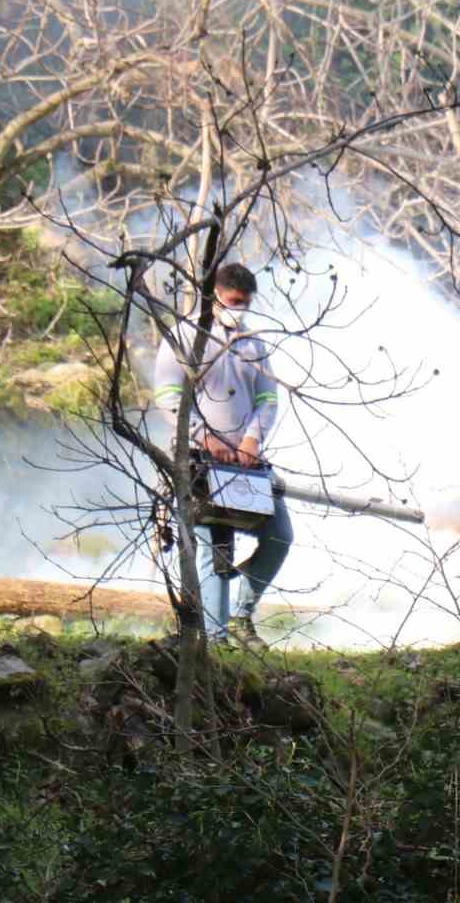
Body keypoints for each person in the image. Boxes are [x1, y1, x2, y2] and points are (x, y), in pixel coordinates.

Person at [152, 262, 291, 649]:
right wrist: (204, 435)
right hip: (198, 461)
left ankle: (240, 615)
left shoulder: (253, 343)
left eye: (246, 303)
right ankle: (215, 642)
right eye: (233, 301)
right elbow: (167, 396)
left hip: (247, 465)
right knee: (215, 548)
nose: (239, 309)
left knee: (279, 535)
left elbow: (268, 398)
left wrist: (251, 440)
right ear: (215, 295)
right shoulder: (184, 335)